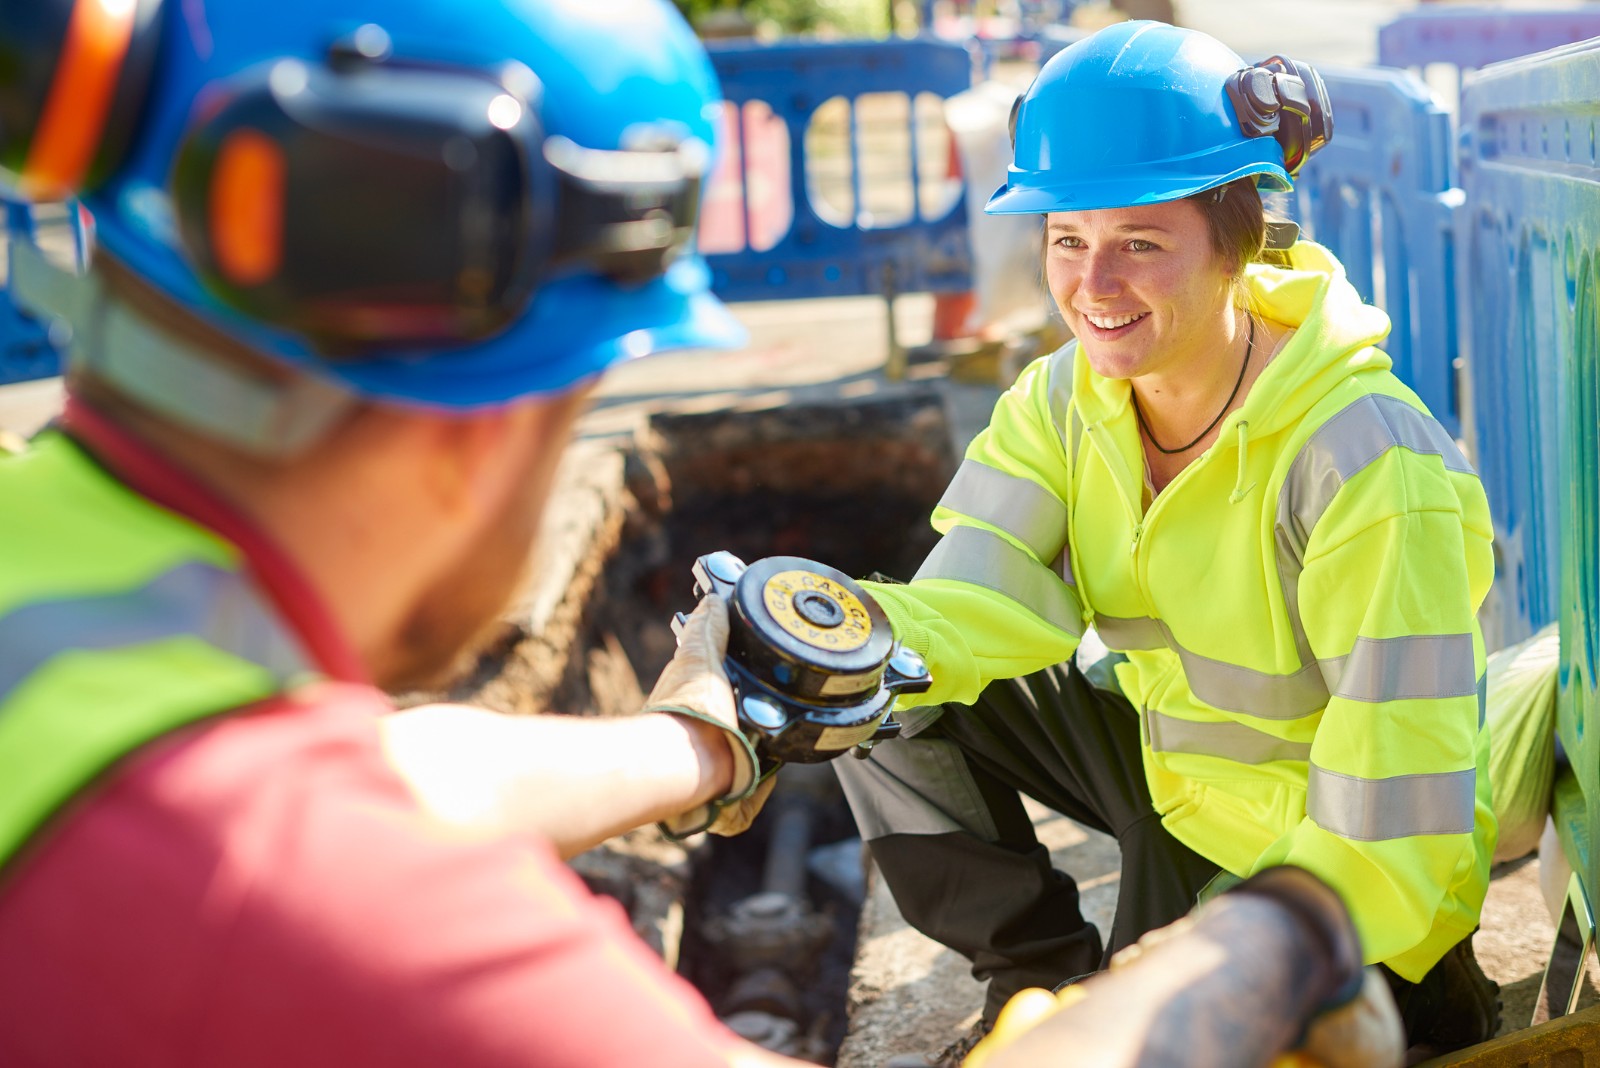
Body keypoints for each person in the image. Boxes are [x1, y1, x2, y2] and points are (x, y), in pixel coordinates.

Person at [0, 0, 788, 1063]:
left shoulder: (80, 630)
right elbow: (322, 829)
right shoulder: (275, 893)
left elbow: (390, 770)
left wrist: (700, 745)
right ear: (497, 416)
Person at [834, 20, 1502, 1062]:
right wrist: (807, 638)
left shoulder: (1367, 467)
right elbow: (973, 602)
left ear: (1238, 244)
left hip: (1332, 883)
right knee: (869, 679)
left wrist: (1254, 948)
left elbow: (1392, 818)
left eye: (1140, 244)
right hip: (1169, 778)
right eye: (1068, 240)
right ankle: (1036, 981)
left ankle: (1423, 1017)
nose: (1092, 287)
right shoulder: (1066, 397)